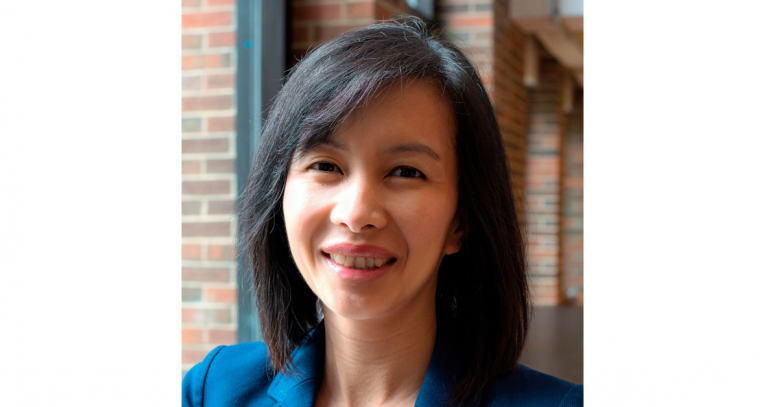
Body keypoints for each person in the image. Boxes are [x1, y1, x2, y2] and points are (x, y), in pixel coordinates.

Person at [182, 17, 583, 407]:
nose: (356, 214)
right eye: (326, 166)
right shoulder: (214, 389)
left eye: (406, 172)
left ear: (460, 222)